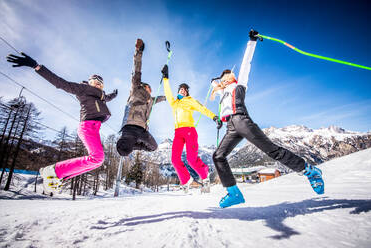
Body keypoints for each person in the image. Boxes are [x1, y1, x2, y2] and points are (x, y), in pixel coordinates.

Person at [211, 30, 324, 208]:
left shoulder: (239, 85)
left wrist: (251, 42)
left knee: (272, 151)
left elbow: (245, 63)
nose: (225, 79)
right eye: (223, 79)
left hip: (242, 120)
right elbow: (215, 84)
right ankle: (234, 193)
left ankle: (310, 171)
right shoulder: (222, 93)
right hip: (230, 127)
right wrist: (216, 89)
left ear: (234, 78)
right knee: (218, 156)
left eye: (228, 77)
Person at [6, 52, 118, 195]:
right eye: (95, 81)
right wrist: (37, 66)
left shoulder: (100, 95)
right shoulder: (82, 89)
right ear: (89, 82)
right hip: (88, 126)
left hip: (94, 128)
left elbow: (107, 97)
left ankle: (58, 176)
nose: (99, 84)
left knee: (97, 160)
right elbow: (60, 83)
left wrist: (114, 95)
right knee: (97, 157)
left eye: (101, 84)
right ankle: (52, 171)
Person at [161, 64, 222, 193]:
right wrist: (166, 78)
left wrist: (214, 117)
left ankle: (204, 176)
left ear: (187, 92)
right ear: (178, 92)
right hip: (178, 133)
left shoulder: (190, 101)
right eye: (181, 89)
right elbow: (167, 93)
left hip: (189, 131)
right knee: (174, 159)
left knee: (191, 159)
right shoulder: (174, 103)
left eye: (185, 90)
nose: (182, 91)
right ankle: (186, 180)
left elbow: (202, 109)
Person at [116, 39, 166, 157]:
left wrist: (168, 97)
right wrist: (139, 52)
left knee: (153, 147)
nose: (151, 91)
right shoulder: (136, 89)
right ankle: (130, 144)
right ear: (145, 87)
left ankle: (133, 145)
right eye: (150, 89)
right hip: (129, 126)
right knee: (123, 151)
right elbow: (136, 71)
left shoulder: (150, 100)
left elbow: (161, 98)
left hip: (142, 130)